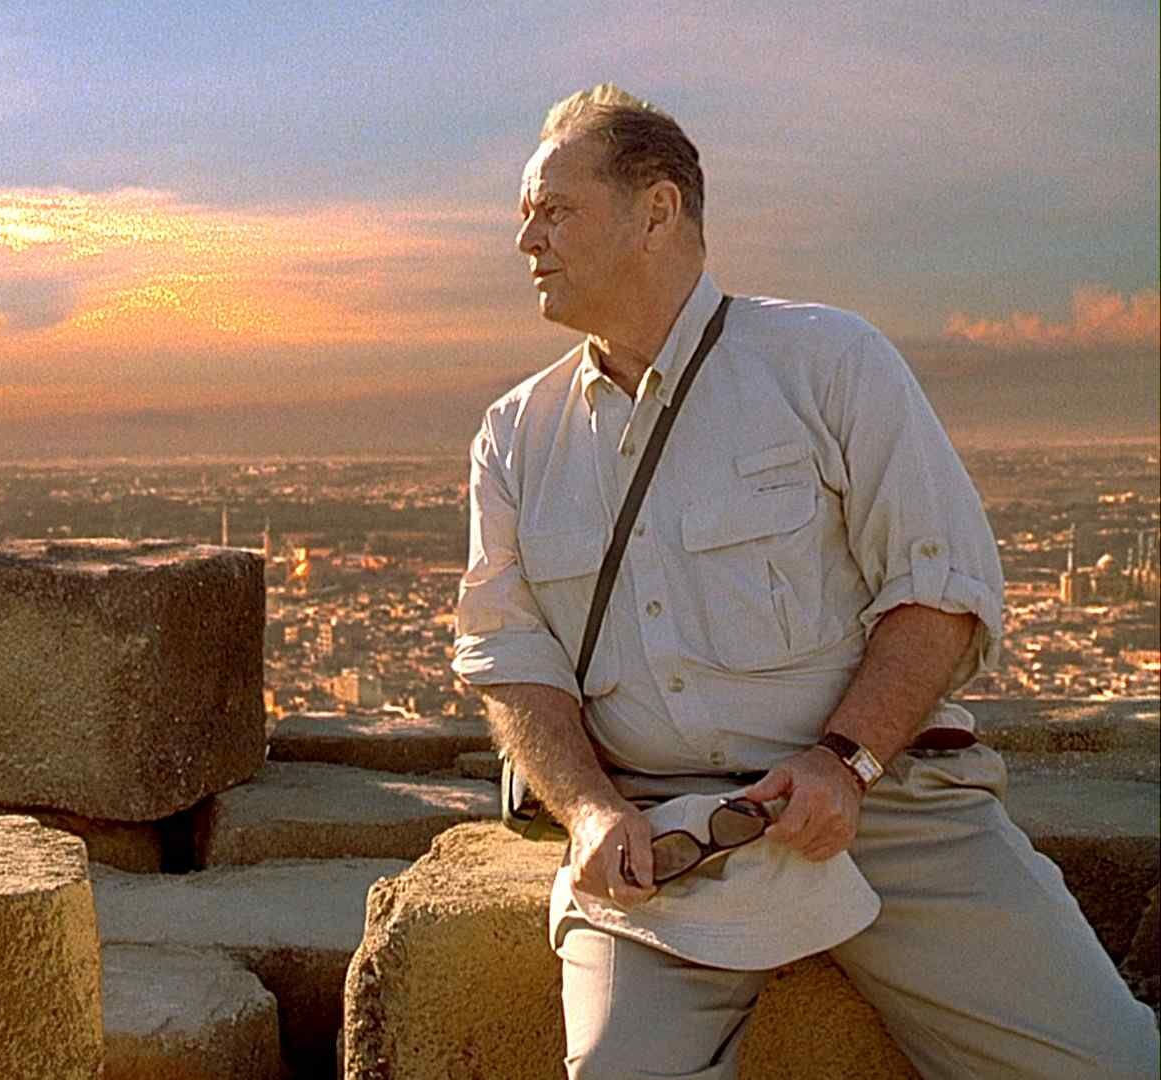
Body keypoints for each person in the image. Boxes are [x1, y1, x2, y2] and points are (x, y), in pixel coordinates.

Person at [452, 85, 1158, 1078]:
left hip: (887, 810)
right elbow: (510, 654)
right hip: (659, 841)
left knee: (1107, 1064)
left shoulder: (827, 362)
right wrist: (590, 810)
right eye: (528, 216)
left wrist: (844, 761)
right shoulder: (516, 435)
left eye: (554, 210)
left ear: (656, 212)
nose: (526, 240)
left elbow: (939, 586)